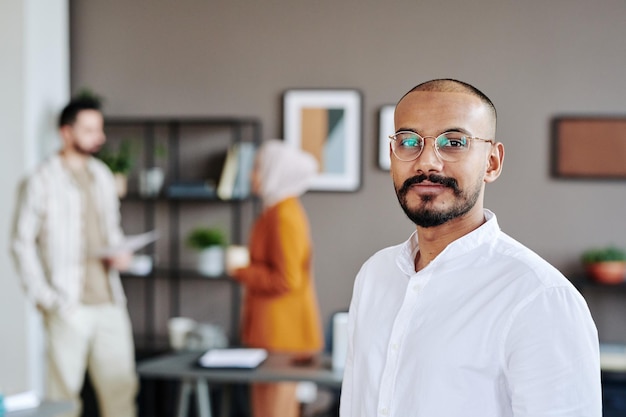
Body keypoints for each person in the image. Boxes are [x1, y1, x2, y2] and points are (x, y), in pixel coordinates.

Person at [339, 79, 601, 417]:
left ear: (491, 162)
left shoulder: (541, 297)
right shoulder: (375, 274)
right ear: (393, 156)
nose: (427, 163)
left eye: (453, 142)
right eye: (408, 141)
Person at [10, 95, 138, 417]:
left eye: (100, 129)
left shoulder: (103, 176)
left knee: (121, 394)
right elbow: (20, 243)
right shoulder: (40, 180)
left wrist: (122, 255)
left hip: (109, 302)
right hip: (68, 305)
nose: (100, 137)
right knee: (64, 401)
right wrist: (47, 298)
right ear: (66, 132)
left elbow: (112, 231)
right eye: (90, 129)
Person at [227, 139, 324, 417]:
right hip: (272, 334)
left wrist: (241, 271)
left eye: (257, 168)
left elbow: (287, 279)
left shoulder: (283, 215)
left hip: (282, 337)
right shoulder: (275, 211)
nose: (251, 175)